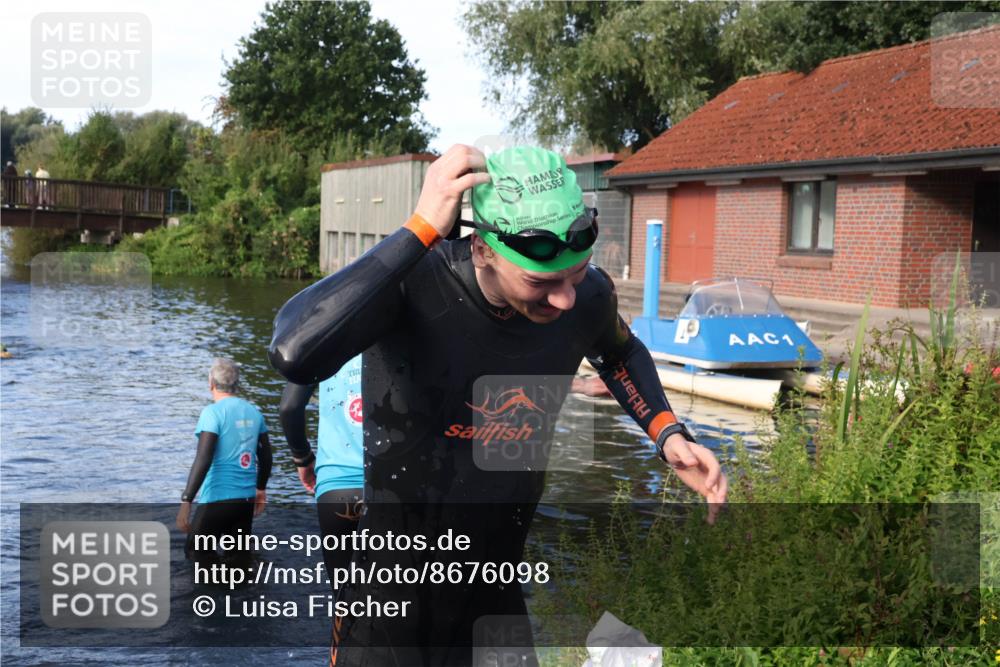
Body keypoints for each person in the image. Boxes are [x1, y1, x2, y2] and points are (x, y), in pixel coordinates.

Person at [269, 145, 727, 666]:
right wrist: (419, 229)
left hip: (495, 592)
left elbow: (620, 352)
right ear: (484, 249)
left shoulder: (589, 299)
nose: (565, 300)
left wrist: (667, 432)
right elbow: (294, 353)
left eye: (576, 274)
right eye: (540, 282)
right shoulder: (412, 286)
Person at [279, 354, 365, 589]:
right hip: (393, 487)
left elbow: (289, 407)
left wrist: (303, 458)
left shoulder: (328, 341)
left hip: (337, 489)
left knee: (345, 599)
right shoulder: (403, 333)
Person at [177, 358, 272, 567]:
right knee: (239, 562)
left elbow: (203, 458)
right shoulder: (254, 413)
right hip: (245, 503)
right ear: (236, 384)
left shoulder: (212, 413)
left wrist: (187, 501)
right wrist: (261, 489)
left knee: (195, 555)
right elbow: (266, 456)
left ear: (211, 383)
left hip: (216, 500)